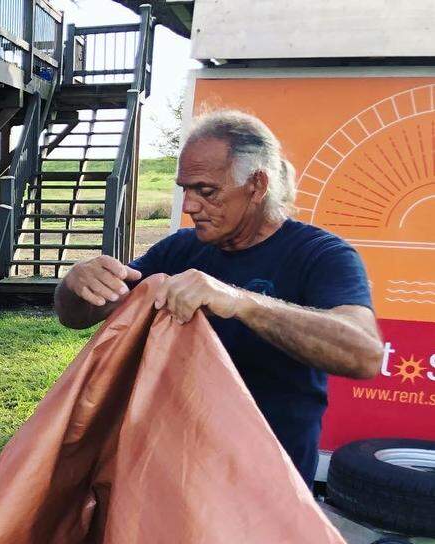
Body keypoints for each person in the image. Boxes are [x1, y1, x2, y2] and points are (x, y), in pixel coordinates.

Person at [55, 109, 383, 485]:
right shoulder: (178, 251)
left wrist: (243, 303)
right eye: (185, 190)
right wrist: (77, 283)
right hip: (176, 470)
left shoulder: (320, 254)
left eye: (205, 191)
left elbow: (364, 354)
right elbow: (77, 315)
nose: (190, 206)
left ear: (257, 185)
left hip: (267, 481)